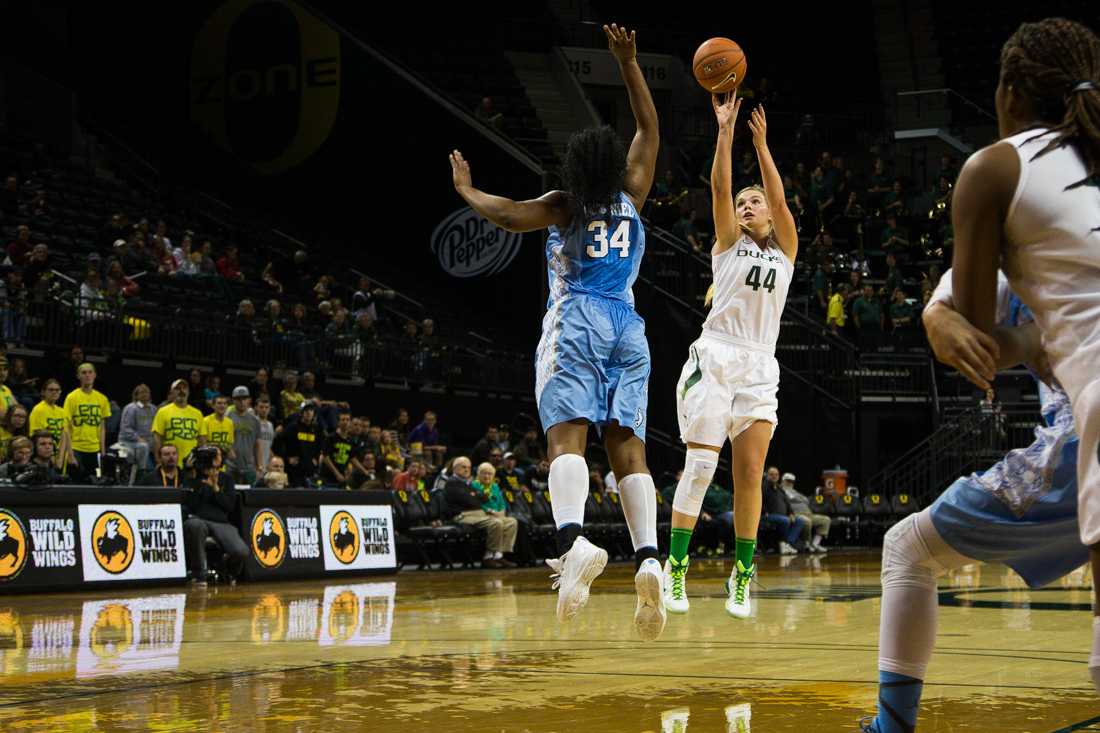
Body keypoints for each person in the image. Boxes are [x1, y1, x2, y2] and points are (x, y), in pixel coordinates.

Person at [865, 19, 1100, 732]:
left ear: (1006, 92)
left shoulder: (997, 167)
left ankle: (889, 726)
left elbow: (972, 327)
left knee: (907, 544)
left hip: (1085, 414)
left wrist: (964, 326)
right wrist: (947, 320)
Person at [448, 23, 665, 640]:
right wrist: (628, 64)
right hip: (629, 326)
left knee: (565, 440)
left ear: (577, 166)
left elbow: (509, 216)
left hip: (577, 321)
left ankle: (574, 544)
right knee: (629, 448)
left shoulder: (565, 203)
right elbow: (649, 130)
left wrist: (467, 190)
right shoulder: (634, 194)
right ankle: (648, 556)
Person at [666, 94, 798, 618]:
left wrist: (762, 146)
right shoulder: (727, 243)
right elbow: (718, 187)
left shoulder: (785, 246)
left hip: (760, 365)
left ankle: (741, 575)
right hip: (717, 356)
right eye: (743, 203)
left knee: (750, 472)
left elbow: (784, 204)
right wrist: (725, 131)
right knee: (700, 465)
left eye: (755, 201)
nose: (747, 206)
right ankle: (676, 567)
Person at [183, 446, 248, 585]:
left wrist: (216, 489)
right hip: (199, 518)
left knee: (241, 551)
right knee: (194, 525)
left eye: (216, 454)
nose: (214, 457)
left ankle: (228, 572)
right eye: (211, 455)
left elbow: (229, 506)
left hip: (221, 522)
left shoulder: (227, 479)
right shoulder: (193, 477)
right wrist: (194, 478)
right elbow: (191, 504)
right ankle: (199, 575)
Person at [444, 457, 518, 568]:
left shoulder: (467, 483)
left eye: (468, 467)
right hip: (463, 515)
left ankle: (499, 555)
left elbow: (483, 498)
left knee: (511, 522)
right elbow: (468, 500)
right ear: (455, 468)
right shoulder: (452, 483)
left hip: (479, 514)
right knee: (496, 522)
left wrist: (475, 496)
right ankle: (488, 557)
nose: (467, 470)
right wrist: (475, 496)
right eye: (463, 467)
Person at [63, 363, 111, 480]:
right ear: (78, 376)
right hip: (76, 448)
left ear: (94, 375)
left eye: (90, 372)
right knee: (75, 484)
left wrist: (103, 452)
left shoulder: (102, 399)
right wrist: (69, 453)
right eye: (83, 373)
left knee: (95, 484)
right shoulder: (71, 397)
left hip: (95, 450)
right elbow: (66, 427)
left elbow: (102, 427)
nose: (87, 375)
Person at [152, 379, 208, 464]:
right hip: (169, 461)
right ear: (172, 392)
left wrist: (203, 461)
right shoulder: (162, 411)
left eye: (184, 388)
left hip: (191, 462)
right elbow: (157, 438)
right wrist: (158, 460)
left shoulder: (197, 413)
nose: (181, 391)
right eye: (177, 388)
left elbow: (202, 439)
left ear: (188, 392)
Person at [29, 378, 71, 470]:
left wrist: (60, 458)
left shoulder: (62, 411)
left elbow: (64, 435)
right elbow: (38, 437)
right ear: (43, 392)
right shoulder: (38, 410)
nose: (54, 392)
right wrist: (50, 457)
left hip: (60, 458)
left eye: (57, 390)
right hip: (43, 459)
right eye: (51, 390)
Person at [118, 384, 156, 472]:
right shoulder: (131, 408)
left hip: (148, 444)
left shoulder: (153, 408)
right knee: (144, 448)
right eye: (142, 392)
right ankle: (141, 472)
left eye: (147, 392)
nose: (145, 394)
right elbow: (125, 429)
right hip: (130, 442)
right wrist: (138, 438)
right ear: (136, 395)